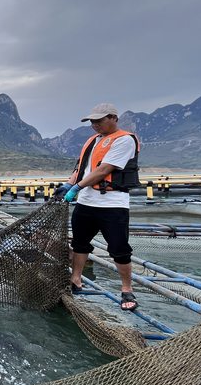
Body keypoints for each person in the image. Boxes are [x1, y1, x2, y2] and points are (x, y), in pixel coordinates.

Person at [54, 103, 141, 311]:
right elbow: (81, 168)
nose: (94, 125)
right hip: (86, 202)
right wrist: (68, 183)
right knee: (79, 243)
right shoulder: (92, 141)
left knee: (119, 249)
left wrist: (75, 188)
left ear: (113, 118)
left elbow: (104, 170)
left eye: (99, 120)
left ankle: (127, 289)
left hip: (112, 204)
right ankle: (75, 279)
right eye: (92, 121)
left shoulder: (124, 140)